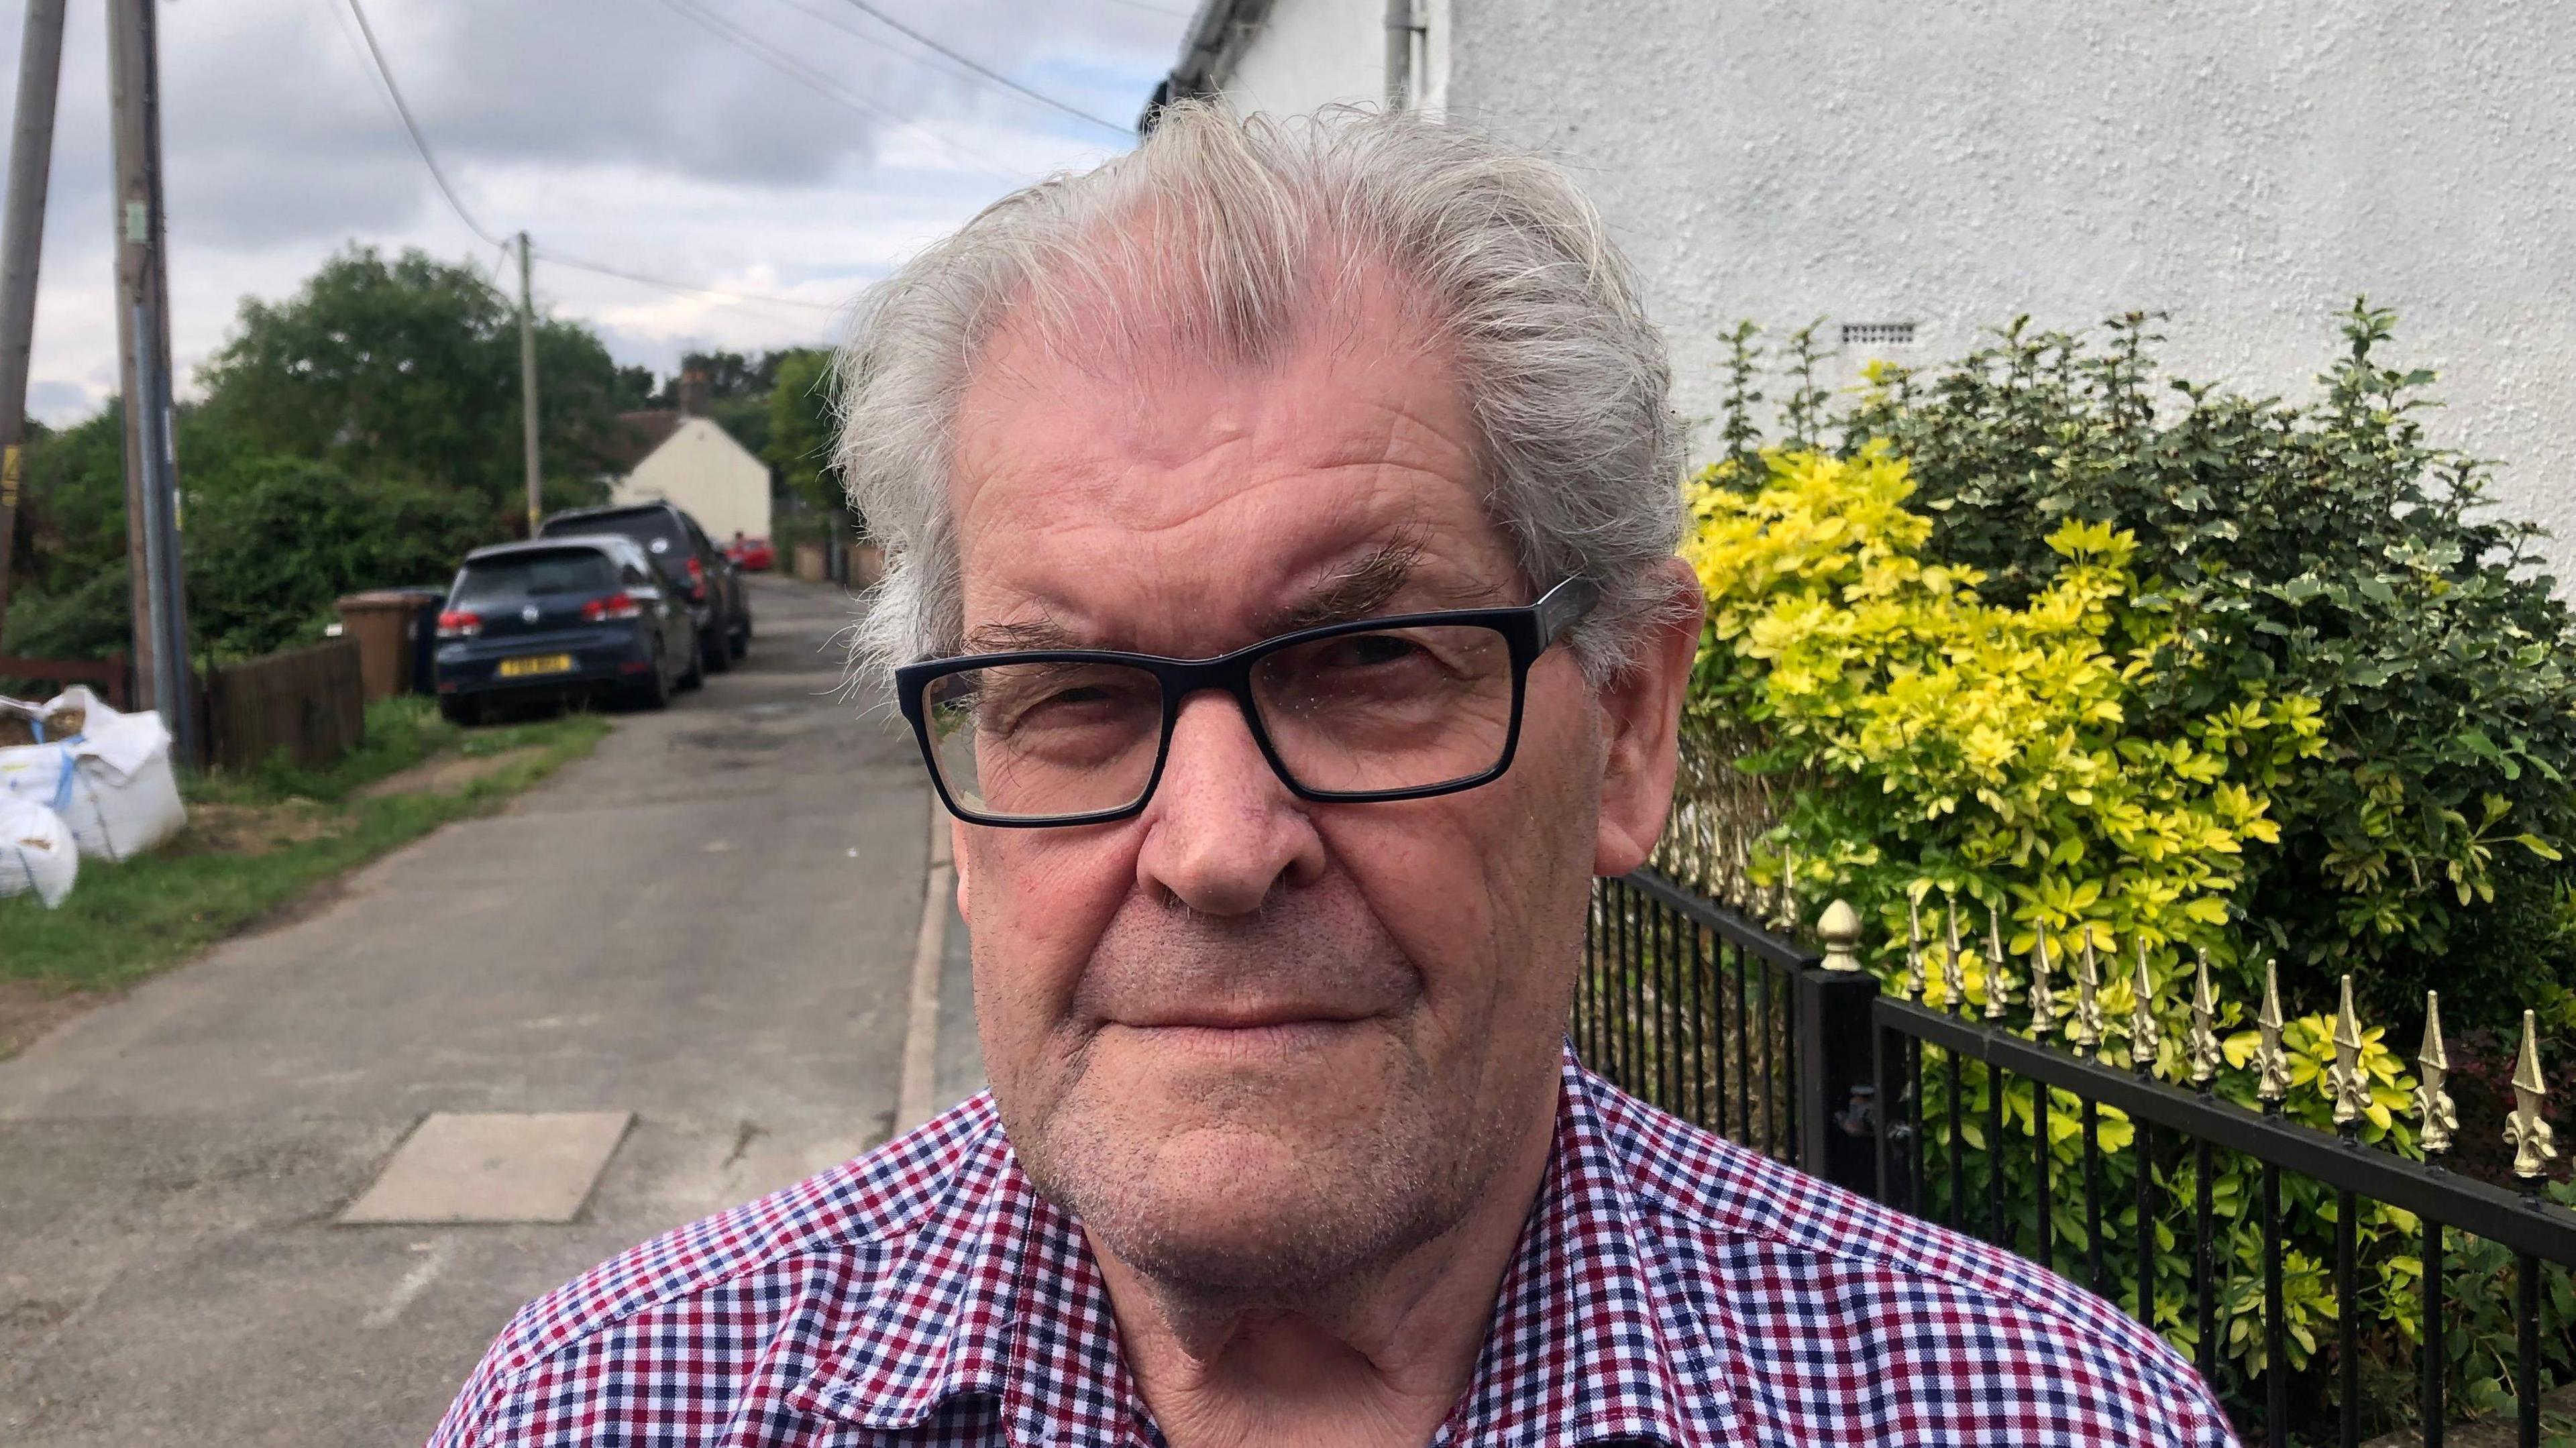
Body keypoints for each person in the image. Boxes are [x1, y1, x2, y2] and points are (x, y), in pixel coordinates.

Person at [431, 104, 2237, 1448]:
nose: (1215, 849)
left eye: (1371, 665)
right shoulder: (604, 1409)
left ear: (1626, 729)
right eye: (1070, 693)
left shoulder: (2040, 1415)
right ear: (959, 807)